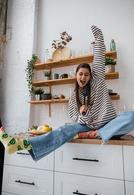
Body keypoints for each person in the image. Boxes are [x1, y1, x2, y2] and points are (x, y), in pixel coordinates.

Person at [0, 25, 134, 161]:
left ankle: (98, 133)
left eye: (86, 74)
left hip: (110, 125)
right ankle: (19, 145)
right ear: (76, 76)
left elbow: (99, 58)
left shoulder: (97, 81)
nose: (83, 77)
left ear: (91, 76)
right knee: (65, 129)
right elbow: (77, 120)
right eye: (80, 74)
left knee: (131, 116)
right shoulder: (73, 99)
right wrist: (83, 113)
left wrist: (99, 37)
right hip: (87, 127)